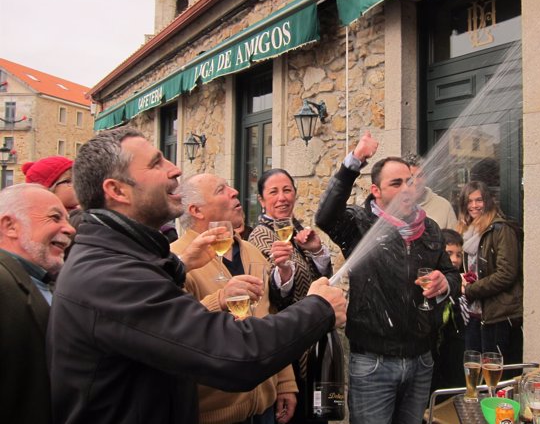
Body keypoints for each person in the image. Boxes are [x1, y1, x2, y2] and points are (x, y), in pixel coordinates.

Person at [47, 127, 346, 424]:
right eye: (156, 163)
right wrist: (319, 308)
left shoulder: (122, 259)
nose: (174, 169)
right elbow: (234, 354)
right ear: (117, 191)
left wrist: (177, 266)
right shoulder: (108, 277)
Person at [314, 131, 460, 424]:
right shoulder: (359, 224)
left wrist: (445, 284)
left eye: (410, 181)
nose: (407, 189)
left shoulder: (429, 228)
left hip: (421, 360)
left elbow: (451, 275)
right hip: (373, 364)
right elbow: (325, 217)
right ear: (376, 191)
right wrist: (354, 161)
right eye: (396, 183)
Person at [174, 173, 297, 424]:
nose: (235, 192)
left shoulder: (251, 251)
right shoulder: (175, 260)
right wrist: (219, 299)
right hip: (214, 415)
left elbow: (269, 317)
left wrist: (284, 382)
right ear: (196, 210)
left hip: (264, 408)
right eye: (222, 190)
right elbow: (173, 331)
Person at [248, 168, 333, 423]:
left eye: (287, 190)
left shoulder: (297, 231)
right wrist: (283, 270)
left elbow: (321, 280)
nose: (282, 197)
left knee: (317, 414)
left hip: (313, 340)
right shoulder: (259, 235)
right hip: (287, 344)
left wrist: (317, 250)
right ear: (262, 200)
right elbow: (273, 294)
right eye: (273, 192)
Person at [0, 183, 75, 424]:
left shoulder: (48, 282)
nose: (70, 229)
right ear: (10, 226)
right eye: (55, 217)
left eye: (68, 218)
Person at [457, 180, 523, 370]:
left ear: (488, 201)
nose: (474, 206)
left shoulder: (501, 230)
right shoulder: (466, 232)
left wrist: (470, 290)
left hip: (497, 316)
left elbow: (506, 274)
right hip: (473, 315)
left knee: (495, 377)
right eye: (469, 201)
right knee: (473, 373)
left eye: (479, 200)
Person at [431, 229, 466, 394]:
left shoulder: (459, 284)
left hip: (453, 359)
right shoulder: (432, 286)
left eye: (459, 255)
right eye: (449, 253)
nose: (455, 259)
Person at [405, 153, 458, 230]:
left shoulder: (444, 207)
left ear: (426, 177)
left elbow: (455, 240)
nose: (415, 182)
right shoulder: (394, 207)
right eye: (411, 177)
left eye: (420, 176)